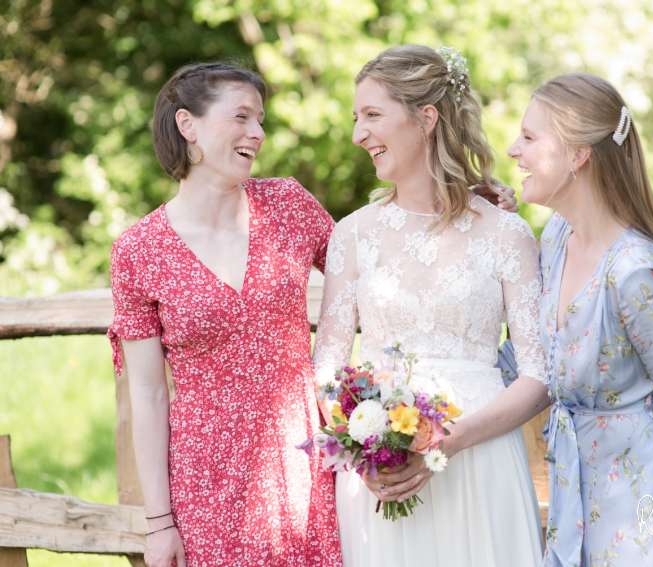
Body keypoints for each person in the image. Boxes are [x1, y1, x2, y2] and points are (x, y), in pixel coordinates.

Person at [108, 61, 517, 567]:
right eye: (240, 117)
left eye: (260, 119)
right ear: (187, 125)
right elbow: (147, 393)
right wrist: (159, 523)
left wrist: (458, 212)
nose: (256, 133)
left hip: (306, 471)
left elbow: (386, 254)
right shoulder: (138, 252)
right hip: (203, 481)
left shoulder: (288, 207)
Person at [311, 44, 551, 567]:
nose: (358, 135)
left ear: (426, 118)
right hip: (381, 479)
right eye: (357, 118)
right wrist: (366, 451)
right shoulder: (352, 236)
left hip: (482, 463)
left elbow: (539, 376)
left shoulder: (507, 233)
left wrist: (451, 440)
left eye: (372, 115)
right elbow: (327, 366)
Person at [501, 73, 653, 567]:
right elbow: (529, 356)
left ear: (578, 154)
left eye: (529, 136)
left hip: (641, 518)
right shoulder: (557, 237)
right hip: (571, 507)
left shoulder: (637, 275)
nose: (512, 149)